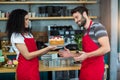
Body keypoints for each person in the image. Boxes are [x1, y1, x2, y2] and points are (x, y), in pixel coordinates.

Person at [58, 6, 110, 80]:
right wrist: (70, 54)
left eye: (77, 17)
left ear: (84, 14)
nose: (75, 21)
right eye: (74, 19)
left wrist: (87, 55)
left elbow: (106, 48)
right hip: (85, 69)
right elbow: (85, 54)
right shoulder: (85, 32)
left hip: (95, 71)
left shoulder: (98, 27)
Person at [6, 9, 57, 80]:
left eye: (28, 19)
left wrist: (49, 48)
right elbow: (28, 56)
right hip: (25, 69)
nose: (28, 21)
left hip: (34, 68)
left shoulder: (29, 34)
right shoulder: (16, 36)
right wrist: (47, 48)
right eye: (26, 19)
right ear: (19, 21)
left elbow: (36, 53)